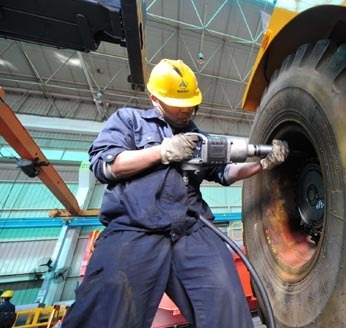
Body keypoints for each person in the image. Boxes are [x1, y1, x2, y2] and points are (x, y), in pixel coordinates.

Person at [62, 59, 288, 328]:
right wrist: (162, 151)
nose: (186, 111)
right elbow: (105, 166)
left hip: (191, 229)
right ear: (155, 99)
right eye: (178, 105)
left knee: (227, 302)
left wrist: (261, 164)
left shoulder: (199, 137)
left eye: (191, 104)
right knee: (107, 310)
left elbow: (226, 173)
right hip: (135, 229)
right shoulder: (129, 121)